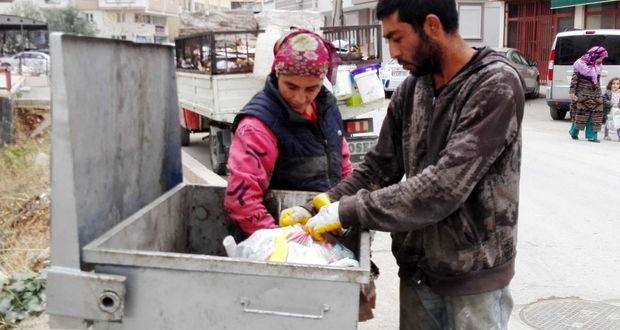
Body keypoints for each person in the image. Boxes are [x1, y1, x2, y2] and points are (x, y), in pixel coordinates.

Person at [301, 1, 525, 329]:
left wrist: (347, 211)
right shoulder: (413, 88)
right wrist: (321, 205)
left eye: (397, 38)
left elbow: (443, 188)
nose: (392, 52)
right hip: (418, 272)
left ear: (432, 26)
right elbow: (378, 167)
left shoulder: (495, 85)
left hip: (474, 281)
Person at [224, 28, 352, 236]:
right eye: (291, 87)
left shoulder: (327, 108)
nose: (300, 98)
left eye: (311, 89)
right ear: (277, 73)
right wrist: (285, 244)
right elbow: (242, 202)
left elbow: (343, 165)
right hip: (278, 240)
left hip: (324, 232)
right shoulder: (257, 126)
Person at [568, 46, 608, 142]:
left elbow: (597, 81)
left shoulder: (598, 66)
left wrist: (599, 94)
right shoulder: (580, 65)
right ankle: (574, 132)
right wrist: (572, 92)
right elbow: (574, 80)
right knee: (581, 114)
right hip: (582, 94)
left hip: (596, 94)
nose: (602, 60)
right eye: (601, 57)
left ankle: (592, 136)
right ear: (595, 55)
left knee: (596, 115)